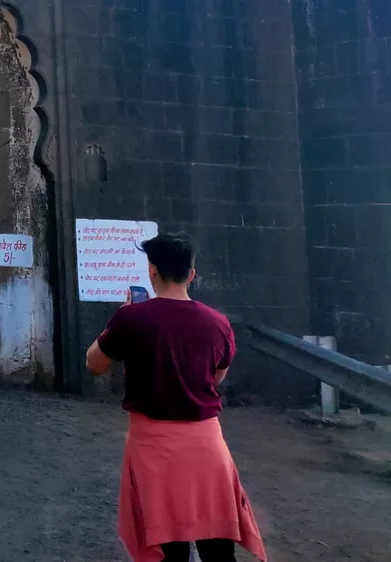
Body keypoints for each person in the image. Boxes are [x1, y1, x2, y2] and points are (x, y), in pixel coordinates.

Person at [86, 233, 267, 562]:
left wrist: (118, 320)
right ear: (191, 274)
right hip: (206, 443)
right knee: (218, 548)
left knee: (168, 548)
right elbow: (216, 377)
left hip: (153, 445)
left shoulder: (132, 318)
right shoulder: (218, 323)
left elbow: (94, 364)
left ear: (152, 271)